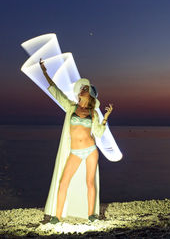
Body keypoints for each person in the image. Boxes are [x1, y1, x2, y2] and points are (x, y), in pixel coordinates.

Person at [39, 58, 113, 223]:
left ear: (90, 95)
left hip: (91, 150)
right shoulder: (71, 107)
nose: (83, 89)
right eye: (83, 88)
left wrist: (105, 117)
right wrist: (45, 73)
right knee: (63, 181)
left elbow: (99, 133)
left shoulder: (93, 113)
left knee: (90, 182)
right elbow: (56, 91)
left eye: (86, 88)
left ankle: (92, 215)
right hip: (75, 152)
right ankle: (56, 216)